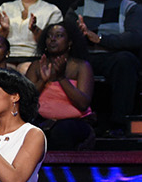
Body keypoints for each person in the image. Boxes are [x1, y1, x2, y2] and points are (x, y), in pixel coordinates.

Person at [74, 0, 142, 136]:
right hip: (86, 56)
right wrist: (78, 35)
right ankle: (69, 122)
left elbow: (136, 37)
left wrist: (99, 39)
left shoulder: (129, 5)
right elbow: (65, 32)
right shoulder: (79, 6)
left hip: (113, 57)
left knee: (125, 61)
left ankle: (118, 124)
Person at [27, 22, 95, 150]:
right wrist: (42, 81)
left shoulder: (81, 66)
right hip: (41, 120)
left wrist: (61, 78)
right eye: (49, 36)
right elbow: (26, 100)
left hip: (74, 123)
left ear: (69, 42)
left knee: (61, 132)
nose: (53, 39)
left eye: (59, 36)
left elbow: (83, 103)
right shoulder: (37, 66)